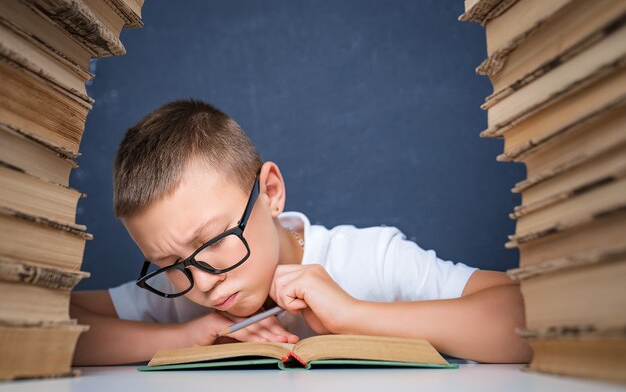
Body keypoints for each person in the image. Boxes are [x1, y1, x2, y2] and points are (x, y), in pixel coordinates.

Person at [70, 99, 532, 365]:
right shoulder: (181, 296)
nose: (203, 282)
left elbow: (525, 317)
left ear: (270, 192)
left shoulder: (370, 257)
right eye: (169, 265)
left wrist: (353, 315)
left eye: (211, 242)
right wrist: (179, 339)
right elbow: (48, 320)